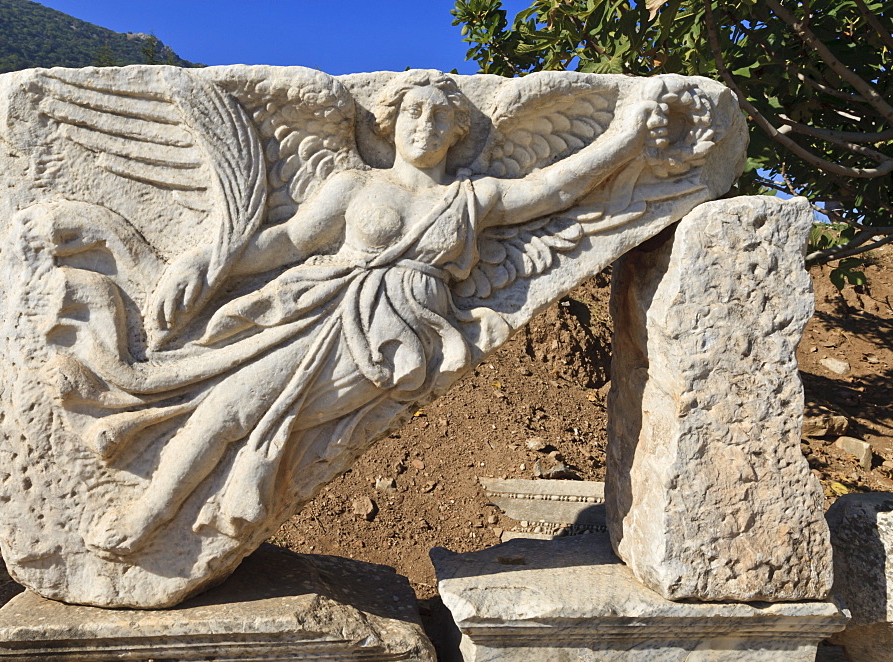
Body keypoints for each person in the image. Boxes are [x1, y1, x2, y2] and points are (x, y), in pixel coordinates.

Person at [84, 70, 666, 556]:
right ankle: (150, 514)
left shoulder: (470, 198)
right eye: (413, 114)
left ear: (458, 130)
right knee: (227, 407)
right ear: (390, 123)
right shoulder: (354, 184)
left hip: (398, 338)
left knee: (252, 416)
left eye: (440, 117)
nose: (425, 126)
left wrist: (628, 135)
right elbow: (287, 243)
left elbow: (557, 189)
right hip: (323, 307)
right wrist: (208, 259)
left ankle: (184, 511)